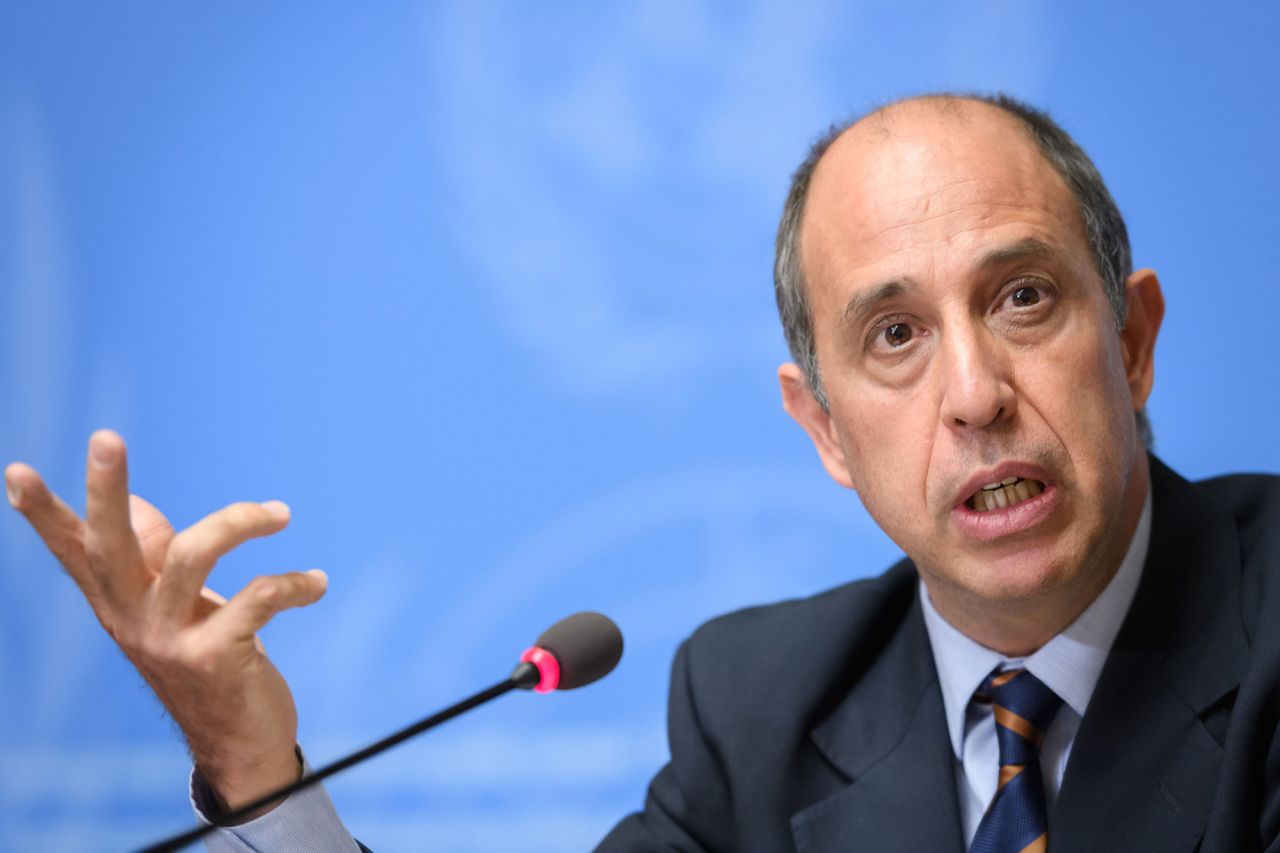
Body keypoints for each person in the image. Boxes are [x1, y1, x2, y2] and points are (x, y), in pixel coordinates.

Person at [6, 92, 1279, 852]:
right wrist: (254, 767)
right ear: (823, 429)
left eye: (1019, 298)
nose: (972, 394)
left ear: (1130, 339)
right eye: (892, 335)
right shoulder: (758, 709)